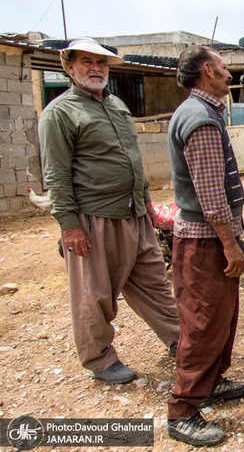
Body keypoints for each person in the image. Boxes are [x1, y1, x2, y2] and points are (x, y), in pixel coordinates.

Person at [38, 38, 180, 385]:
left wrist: (146, 202)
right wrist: (69, 226)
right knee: (95, 293)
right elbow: (56, 174)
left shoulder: (117, 106)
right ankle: (100, 360)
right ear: (69, 68)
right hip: (93, 217)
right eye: (86, 62)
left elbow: (134, 160)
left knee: (155, 282)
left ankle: (180, 340)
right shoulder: (59, 113)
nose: (95, 68)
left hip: (133, 212)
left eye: (101, 63)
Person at [166, 46, 244, 447]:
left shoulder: (203, 111)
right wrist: (231, 245)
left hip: (209, 236)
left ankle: (212, 383)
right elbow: (209, 194)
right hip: (204, 241)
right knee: (202, 324)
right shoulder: (200, 119)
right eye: (222, 67)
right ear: (207, 71)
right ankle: (183, 411)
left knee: (220, 317)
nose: (228, 74)